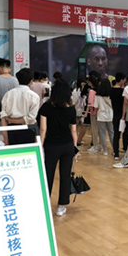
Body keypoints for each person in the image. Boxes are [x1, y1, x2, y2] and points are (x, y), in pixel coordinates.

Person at [39, 80, 77, 217]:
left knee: (48, 175)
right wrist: (75, 148)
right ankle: (61, 206)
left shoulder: (46, 107)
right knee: (65, 175)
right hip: (67, 145)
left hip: (51, 145)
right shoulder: (71, 109)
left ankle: (45, 203)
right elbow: (73, 130)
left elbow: (43, 129)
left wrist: (40, 146)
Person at [0, 68, 41, 145]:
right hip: (28, 130)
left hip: (11, 130)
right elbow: (31, 118)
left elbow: (3, 117)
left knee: (13, 152)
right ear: (31, 81)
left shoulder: (8, 94)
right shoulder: (34, 96)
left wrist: (5, 138)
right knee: (27, 152)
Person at [94, 78, 114, 156]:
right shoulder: (111, 95)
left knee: (102, 133)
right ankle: (114, 149)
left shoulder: (97, 95)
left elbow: (96, 107)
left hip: (100, 116)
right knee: (111, 133)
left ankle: (105, 150)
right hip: (110, 115)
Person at [110, 73, 126, 160]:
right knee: (125, 133)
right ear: (121, 80)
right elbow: (124, 104)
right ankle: (125, 149)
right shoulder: (122, 91)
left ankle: (116, 153)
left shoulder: (111, 90)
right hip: (122, 114)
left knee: (116, 135)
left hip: (115, 114)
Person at [83, 73, 100, 152]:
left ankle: (95, 146)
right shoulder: (98, 90)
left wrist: (86, 112)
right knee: (99, 129)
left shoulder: (91, 91)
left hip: (93, 111)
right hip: (99, 111)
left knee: (94, 129)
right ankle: (100, 145)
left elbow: (89, 103)